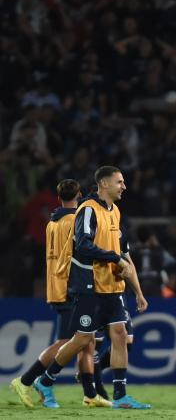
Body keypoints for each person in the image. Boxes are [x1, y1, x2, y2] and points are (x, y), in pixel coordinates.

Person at [33, 166, 151, 409]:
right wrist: (113, 258)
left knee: (119, 334)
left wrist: (138, 291)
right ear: (104, 184)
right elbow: (84, 246)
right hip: (89, 284)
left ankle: (120, 395)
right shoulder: (87, 209)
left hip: (112, 286)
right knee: (81, 339)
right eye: (120, 182)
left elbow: (124, 256)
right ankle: (45, 380)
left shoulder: (115, 212)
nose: (124, 186)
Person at [10, 179, 107, 408]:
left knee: (88, 340)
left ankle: (90, 394)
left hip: (55, 283)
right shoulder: (74, 221)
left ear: (58, 198)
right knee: (68, 340)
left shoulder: (52, 222)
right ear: (80, 195)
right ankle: (26, 380)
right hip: (69, 286)